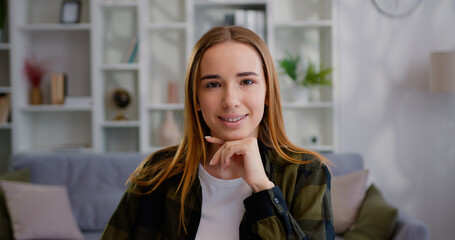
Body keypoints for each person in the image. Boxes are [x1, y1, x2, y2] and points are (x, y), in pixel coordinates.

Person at [101, 25, 334, 240]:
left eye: (246, 81)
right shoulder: (156, 173)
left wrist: (263, 189)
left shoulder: (307, 172)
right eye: (213, 84)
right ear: (197, 99)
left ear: (267, 93)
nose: (230, 101)